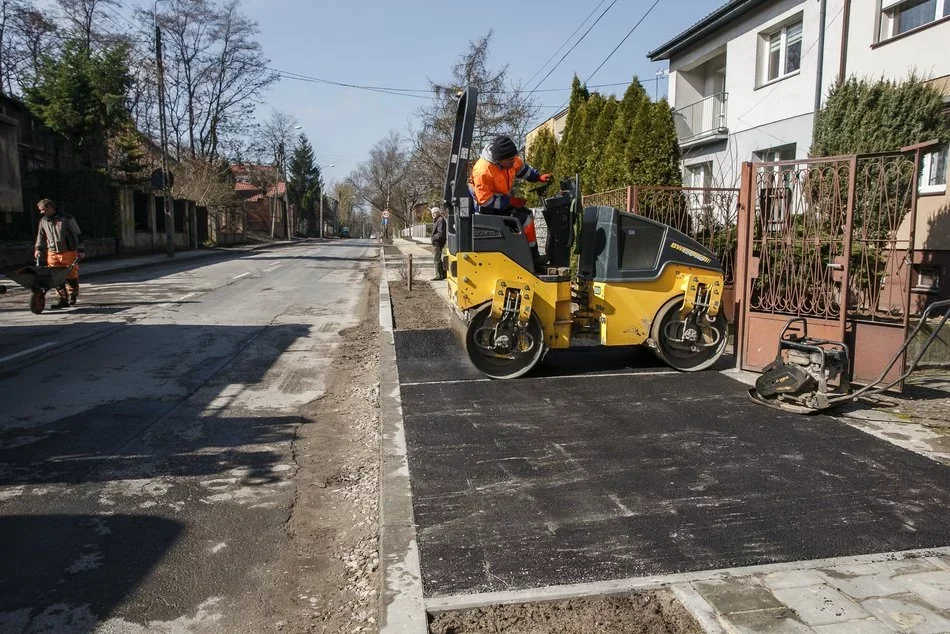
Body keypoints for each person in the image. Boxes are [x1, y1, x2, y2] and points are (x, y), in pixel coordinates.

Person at [467, 134, 552, 270]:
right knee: (523, 220)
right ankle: (527, 257)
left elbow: (523, 170)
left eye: (514, 158)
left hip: (501, 201)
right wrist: (510, 201)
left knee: (527, 215)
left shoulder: (509, 159)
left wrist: (538, 177)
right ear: (499, 160)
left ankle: (531, 255)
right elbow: (485, 201)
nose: (514, 162)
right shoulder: (483, 171)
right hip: (485, 209)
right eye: (510, 160)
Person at [33, 199, 84, 308]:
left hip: (68, 251)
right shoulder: (43, 221)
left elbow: (77, 234)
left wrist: (80, 250)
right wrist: (37, 248)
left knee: (71, 275)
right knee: (56, 277)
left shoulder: (66, 218)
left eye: (42, 209)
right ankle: (62, 299)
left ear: (50, 207)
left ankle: (73, 294)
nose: (41, 212)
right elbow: (40, 236)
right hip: (52, 252)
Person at [430, 206, 447, 281]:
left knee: (436, 259)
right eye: (432, 213)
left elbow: (440, 233)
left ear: (438, 213)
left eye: (434, 213)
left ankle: (439, 275)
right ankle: (443, 274)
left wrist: (434, 238)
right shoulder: (437, 220)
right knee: (438, 258)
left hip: (438, 242)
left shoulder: (440, 220)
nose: (433, 214)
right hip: (437, 242)